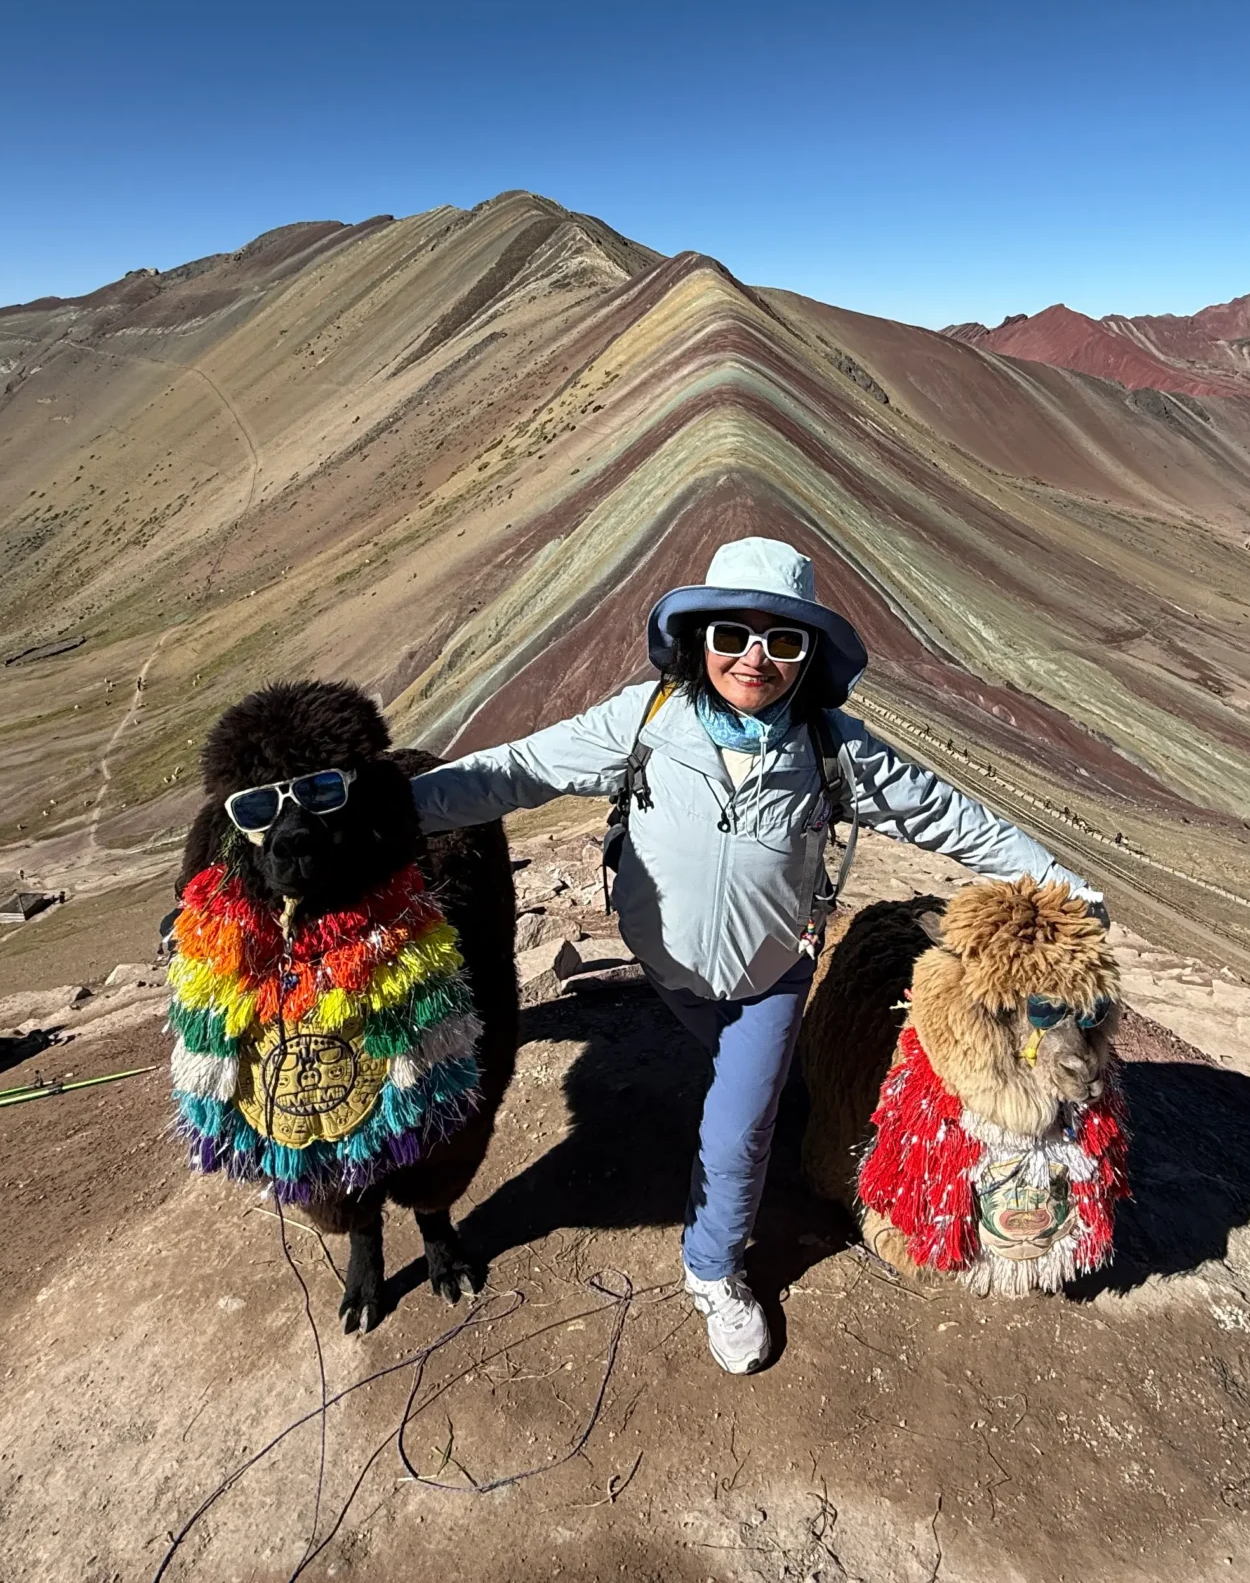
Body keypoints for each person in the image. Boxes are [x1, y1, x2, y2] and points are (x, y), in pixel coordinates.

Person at [408, 536, 1107, 1373]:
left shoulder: (834, 749)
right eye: (732, 635)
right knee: (733, 1076)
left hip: (772, 975)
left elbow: (950, 817)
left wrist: (1059, 881)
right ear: (698, 639)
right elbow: (513, 773)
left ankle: (714, 1269)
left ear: (808, 656)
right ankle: (753, 1087)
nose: (754, 658)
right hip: (667, 967)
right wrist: (388, 812)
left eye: (782, 641)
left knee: (741, 1127)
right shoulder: (642, 725)